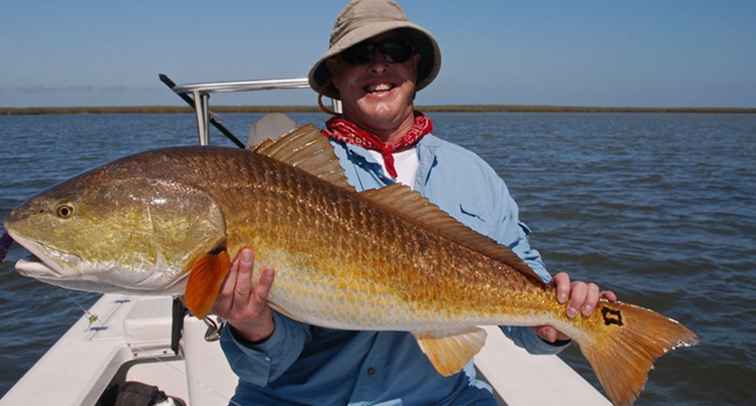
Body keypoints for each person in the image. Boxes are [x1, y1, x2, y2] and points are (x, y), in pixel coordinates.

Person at [214, 0, 617, 404]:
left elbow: (524, 297)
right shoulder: (281, 177)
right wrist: (253, 326)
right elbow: (263, 367)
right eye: (358, 55)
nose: (378, 67)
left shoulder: (472, 174)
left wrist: (553, 325)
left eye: (395, 51)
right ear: (335, 75)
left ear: (416, 67)